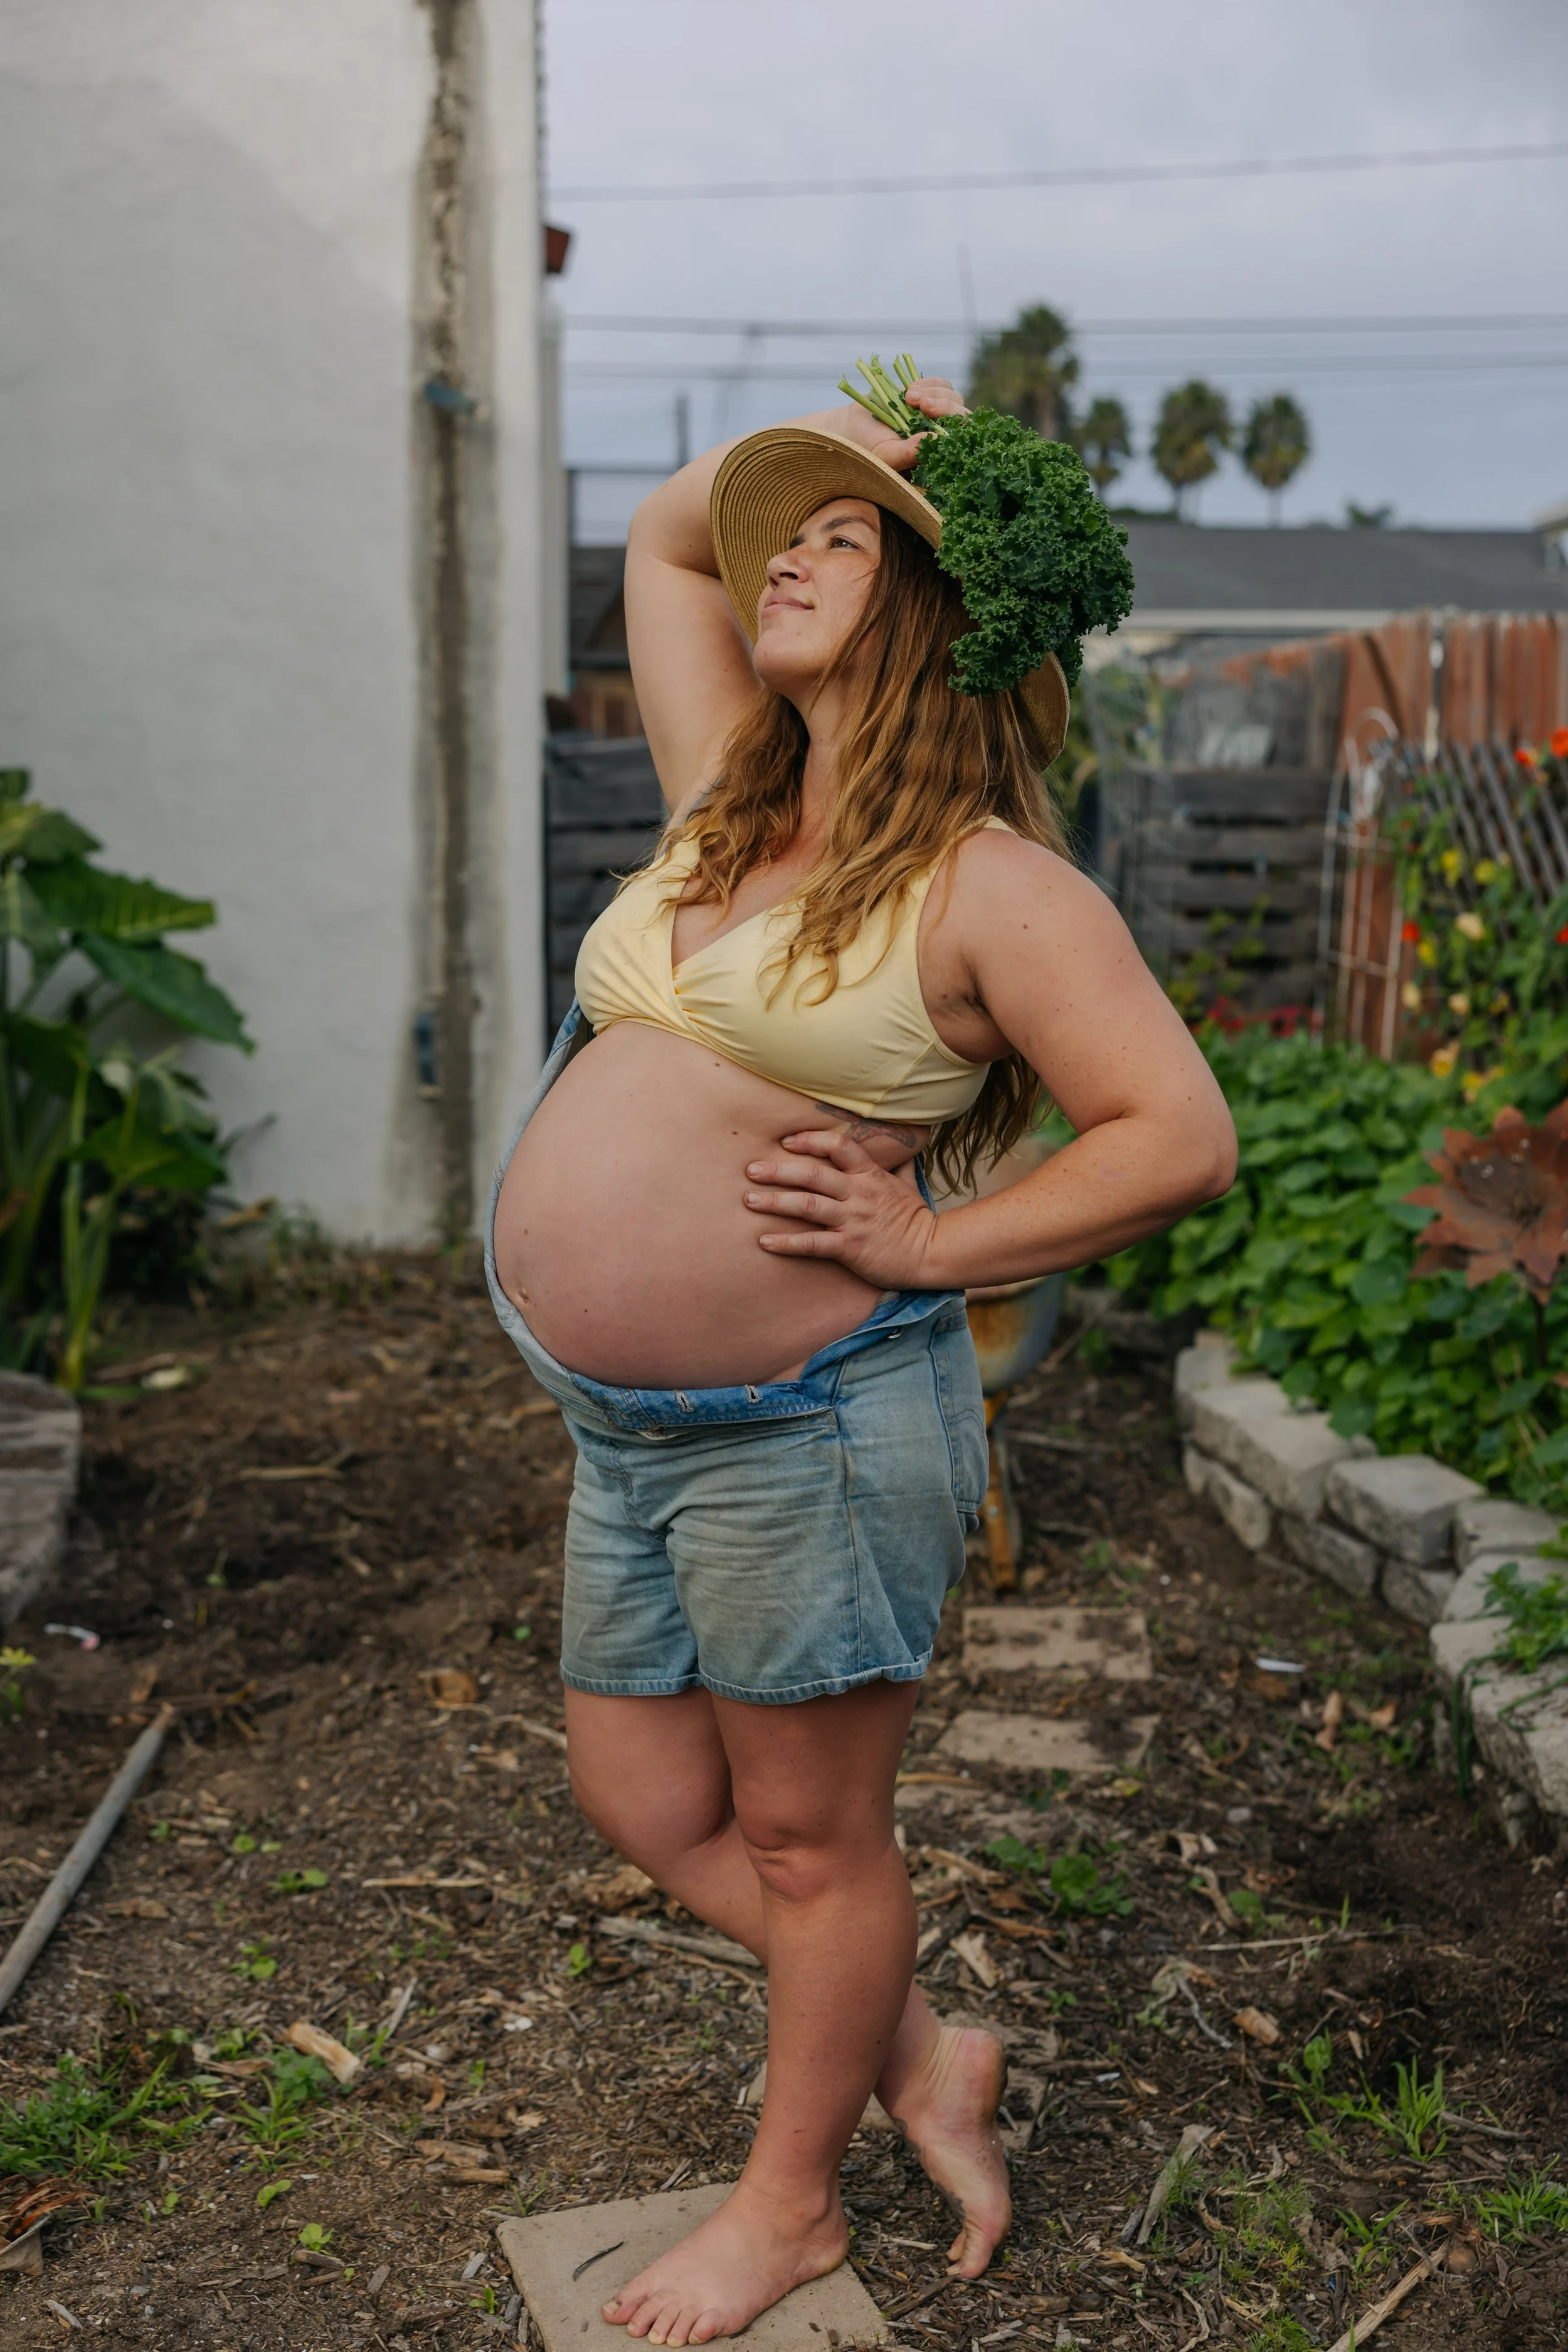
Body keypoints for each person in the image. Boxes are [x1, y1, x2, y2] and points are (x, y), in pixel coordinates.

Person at [486, 376, 1236, 2348]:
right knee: (643, 1803)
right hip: (631, 1424)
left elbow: (1176, 1131)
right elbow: (663, 537)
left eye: (840, 537)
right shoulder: (728, 783)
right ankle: (921, 2044)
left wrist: (929, 1244)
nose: (788, 552)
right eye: (790, 538)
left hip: (806, 1429)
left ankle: (791, 2203)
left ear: (933, 612)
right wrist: (837, 434)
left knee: (817, 1844)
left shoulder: (994, 885)